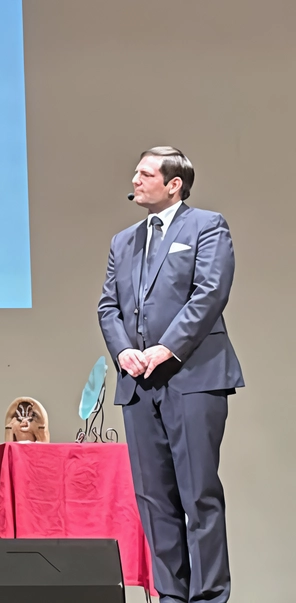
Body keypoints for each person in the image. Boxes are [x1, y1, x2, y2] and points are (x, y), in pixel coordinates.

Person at [98, 146, 243, 603]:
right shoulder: (123, 241)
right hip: (139, 384)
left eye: (145, 174)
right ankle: (171, 595)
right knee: (155, 500)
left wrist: (164, 348)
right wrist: (125, 352)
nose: (135, 181)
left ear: (173, 183)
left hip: (193, 377)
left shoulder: (206, 226)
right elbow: (108, 307)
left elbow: (209, 293)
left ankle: (210, 596)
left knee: (198, 494)